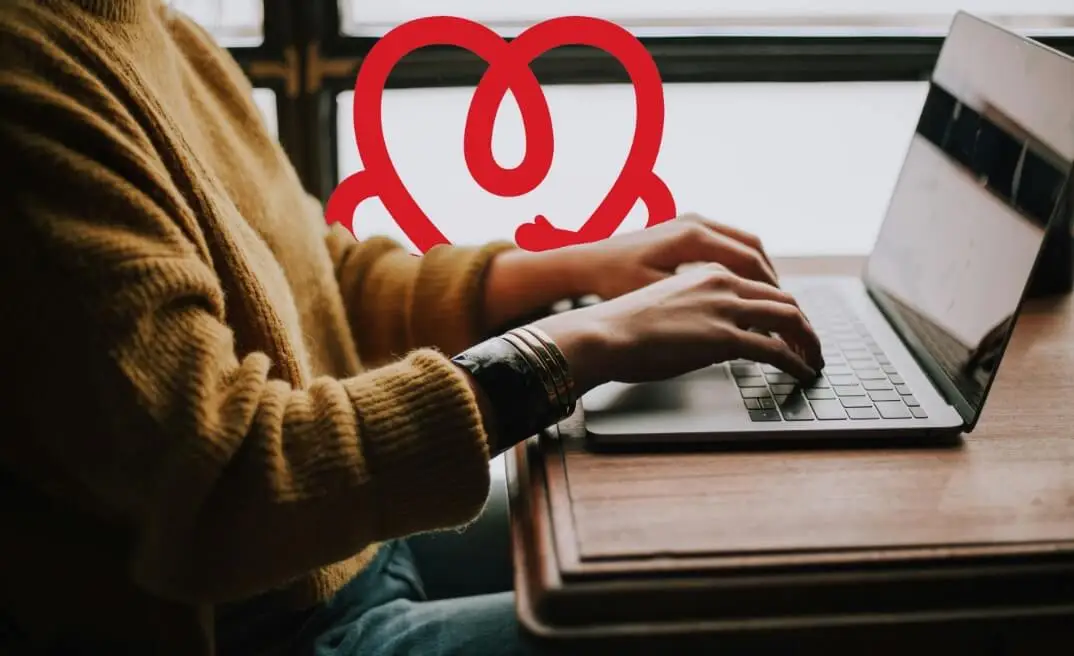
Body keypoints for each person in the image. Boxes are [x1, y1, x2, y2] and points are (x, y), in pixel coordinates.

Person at [0, 1, 824, 654]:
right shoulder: (27, 86)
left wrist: (573, 270)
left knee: (736, 552)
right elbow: (228, 487)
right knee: (751, 626)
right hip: (264, 626)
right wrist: (578, 345)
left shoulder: (147, 24)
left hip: (341, 551)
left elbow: (316, 282)